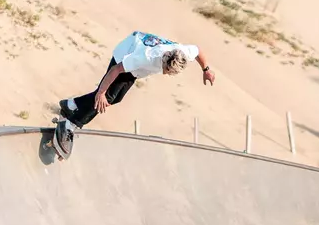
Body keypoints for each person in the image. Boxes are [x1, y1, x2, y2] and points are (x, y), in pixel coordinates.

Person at [53, 30, 216, 155]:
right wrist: (101, 92)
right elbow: (116, 70)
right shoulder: (146, 57)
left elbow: (198, 50)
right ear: (164, 61)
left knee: (116, 98)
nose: (167, 74)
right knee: (106, 96)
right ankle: (69, 125)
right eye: (167, 70)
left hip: (136, 67)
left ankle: (71, 104)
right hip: (125, 54)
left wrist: (206, 70)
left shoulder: (183, 52)